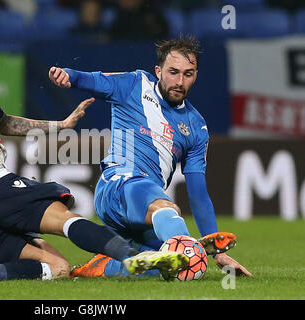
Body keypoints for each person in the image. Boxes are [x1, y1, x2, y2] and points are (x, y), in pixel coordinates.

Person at [0, 23, 189, 282]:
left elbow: (6, 123)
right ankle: (133, 256)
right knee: (66, 219)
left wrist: (62, 124)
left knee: (58, 268)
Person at [48, 35, 253, 278]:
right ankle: (187, 244)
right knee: (168, 212)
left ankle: (104, 267)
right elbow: (91, 79)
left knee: (174, 267)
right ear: (158, 71)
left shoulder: (196, 127)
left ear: (195, 75)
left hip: (144, 212)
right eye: (173, 72)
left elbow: (198, 192)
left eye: (188, 74)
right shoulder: (133, 84)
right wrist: (67, 75)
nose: (179, 81)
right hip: (117, 187)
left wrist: (218, 253)